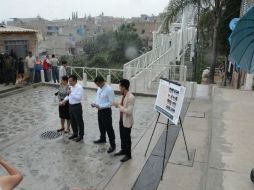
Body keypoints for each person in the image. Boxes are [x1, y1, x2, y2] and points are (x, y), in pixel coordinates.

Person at [112, 79, 135, 162]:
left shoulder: (131, 97)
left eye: (120, 87)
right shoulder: (123, 95)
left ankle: (128, 155)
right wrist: (117, 104)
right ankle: (123, 150)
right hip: (122, 119)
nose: (119, 89)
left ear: (124, 87)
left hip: (127, 121)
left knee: (127, 138)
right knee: (122, 136)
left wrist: (118, 106)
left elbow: (129, 111)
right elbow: (122, 105)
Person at [92, 76, 116, 153]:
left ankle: (113, 145)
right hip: (99, 110)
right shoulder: (99, 88)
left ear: (101, 82)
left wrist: (101, 106)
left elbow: (111, 102)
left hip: (106, 111)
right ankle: (102, 138)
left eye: (97, 84)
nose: (97, 86)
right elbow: (98, 98)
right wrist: (95, 103)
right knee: (101, 126)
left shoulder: (109, 89)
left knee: (109, 128)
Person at [60, 74, 84, 142]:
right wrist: (63, 100)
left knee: (79, 121)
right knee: (73, 121)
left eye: (71, 81)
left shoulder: (79, 87)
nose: (69, 83)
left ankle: (81, 135)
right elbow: (69, 96)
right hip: (70, 106)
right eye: (69, 81)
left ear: (75, 80)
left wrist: (70, 93)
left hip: (77, 106)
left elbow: (79, 98)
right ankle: (75, 133)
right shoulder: (71, 87)